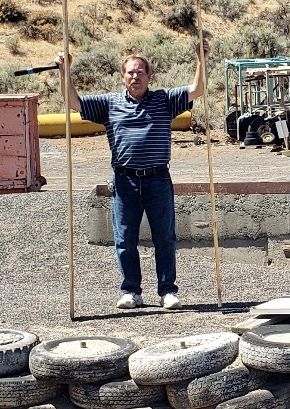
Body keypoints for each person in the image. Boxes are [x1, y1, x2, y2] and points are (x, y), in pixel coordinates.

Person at [56, 40, 209, 310]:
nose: (135, 76)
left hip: (158, 179)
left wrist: (201, 60)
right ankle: (131, 292)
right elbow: (72, 102)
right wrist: (64, 71)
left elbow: (198, 89)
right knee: (125, 239)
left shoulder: (164, 100)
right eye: (130, 72)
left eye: (140, 72)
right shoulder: (109, 103)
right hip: (124, 181)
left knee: (165, 237)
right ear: (122, 77)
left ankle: (167, 291)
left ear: (149, 77)